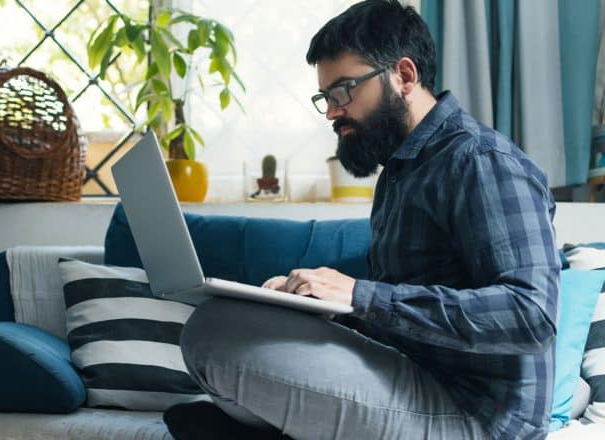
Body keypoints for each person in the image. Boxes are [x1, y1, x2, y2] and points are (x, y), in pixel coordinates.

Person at [162, 1, 560, 439]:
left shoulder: (480, 161)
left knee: (215, 340)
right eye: (326, 97)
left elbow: (531, 315)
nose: (332, 111)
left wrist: (360, 295)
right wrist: (310, 304)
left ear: (404, 76)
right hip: (417, 375)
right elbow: (403, 315)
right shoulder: (401, 169)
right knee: (222, 321)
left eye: (344, 90)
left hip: (479, 416)